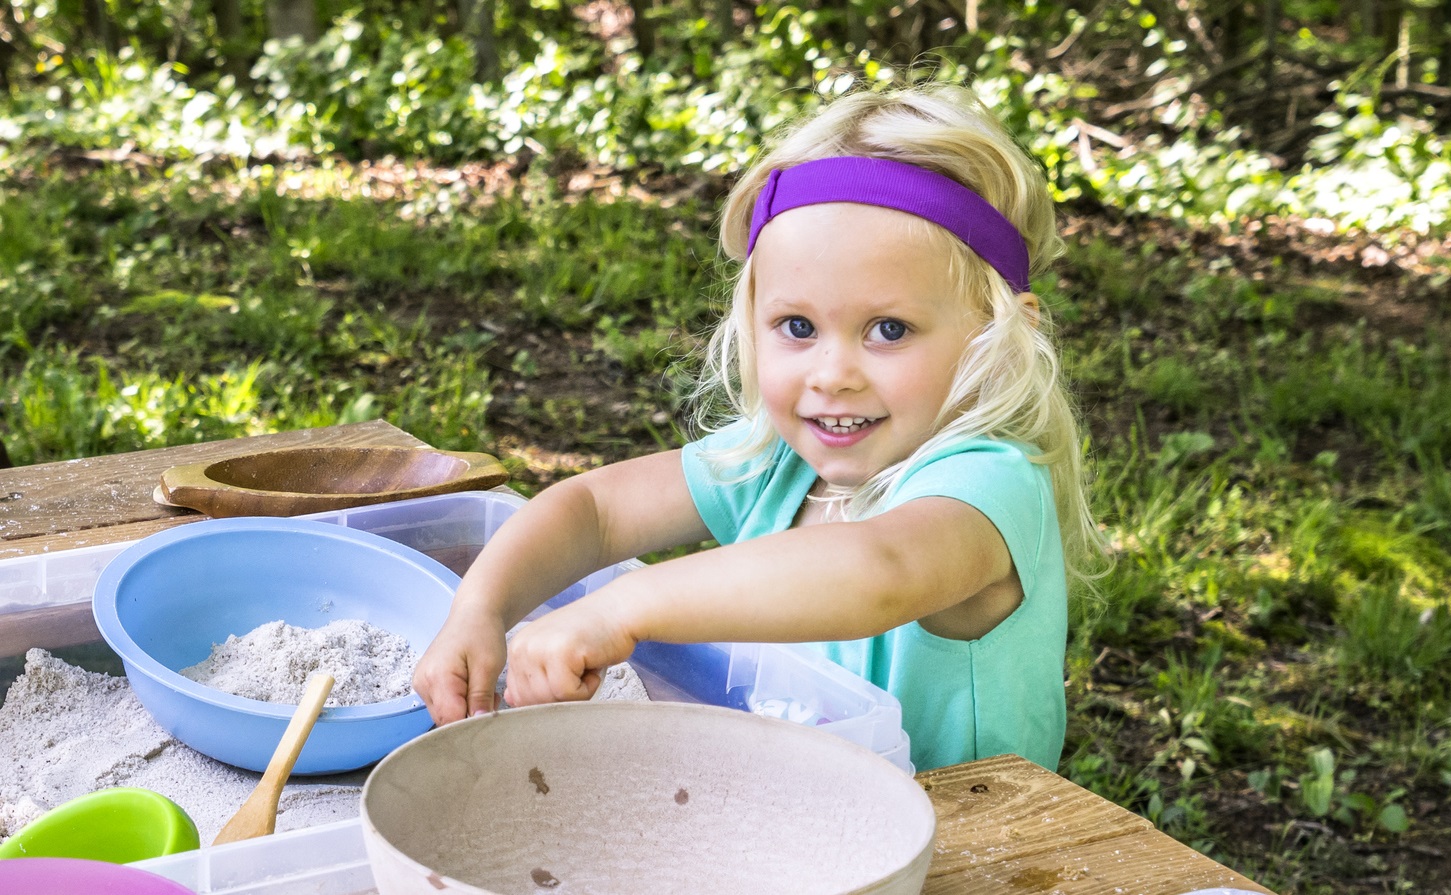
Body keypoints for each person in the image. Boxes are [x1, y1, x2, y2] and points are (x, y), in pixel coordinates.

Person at [412, 82, 1106, 771]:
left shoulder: (987, 481)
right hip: (781, 813)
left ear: (1003, 340)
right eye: (797, 327)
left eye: (888, 330)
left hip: (962, 853)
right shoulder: (778, 463)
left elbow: (876, 572)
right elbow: (592, 509)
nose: (833, 373)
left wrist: (620, 609)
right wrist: (480, 607)